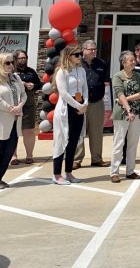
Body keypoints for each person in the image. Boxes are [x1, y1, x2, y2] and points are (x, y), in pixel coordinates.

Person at [0, 53, 26, 189]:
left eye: (12, 62)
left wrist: (20, 105)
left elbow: (23, 94)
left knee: (8, 151)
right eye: (7, 63)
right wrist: (11, 109)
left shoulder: (15, 78)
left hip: (14, 121)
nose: (11, 65)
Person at [52, 44, 88, 186]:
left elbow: (85, 89)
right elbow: (63, 93)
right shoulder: (62, 72)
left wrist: (85, 103)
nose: (80, 57)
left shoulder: (81, 70)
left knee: (74, 141)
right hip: (66, 108)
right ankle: (56, 174)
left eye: (80, 54)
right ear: (68, 56)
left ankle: (68, 172)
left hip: (80, 107)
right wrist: (78, 106)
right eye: (77, 54)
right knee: (61, 140)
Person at [73, 40, 111, 169]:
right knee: (79, 132)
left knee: (97, 133)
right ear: (83, 50)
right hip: (80, 103)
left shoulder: (101, 64)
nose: (93, 51)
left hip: (97, 103)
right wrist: (79, 102)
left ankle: (97, 159)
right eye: (90, 49)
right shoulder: (76, 63)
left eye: (95, 49)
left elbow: (105, 82)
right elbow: (74, 85)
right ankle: (77, 160)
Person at [110, 50, 140, 183]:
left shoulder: (138, 76)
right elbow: (119, 93)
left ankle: (130, 171)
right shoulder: (117, 76)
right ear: (123, 62)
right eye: (131, 60)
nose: (134, 62)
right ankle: (114, 172)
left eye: (134, 60)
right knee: (119, 143)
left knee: (133, 143)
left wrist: (127, 99)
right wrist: (128, 109)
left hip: (137, 113)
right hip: (122, 113)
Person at [10, 49, 41, 165]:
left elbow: (39, 84)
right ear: (15, 59)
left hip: (28, 104)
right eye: (20, 58)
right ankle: (13, 156)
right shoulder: (10, 71)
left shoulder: (31, 71)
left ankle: (29, 155)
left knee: (29, 130)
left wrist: (33, 85)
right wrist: (20, 84)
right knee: (13, 130)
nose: (23, 60)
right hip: (13, 104)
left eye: (25, 58)